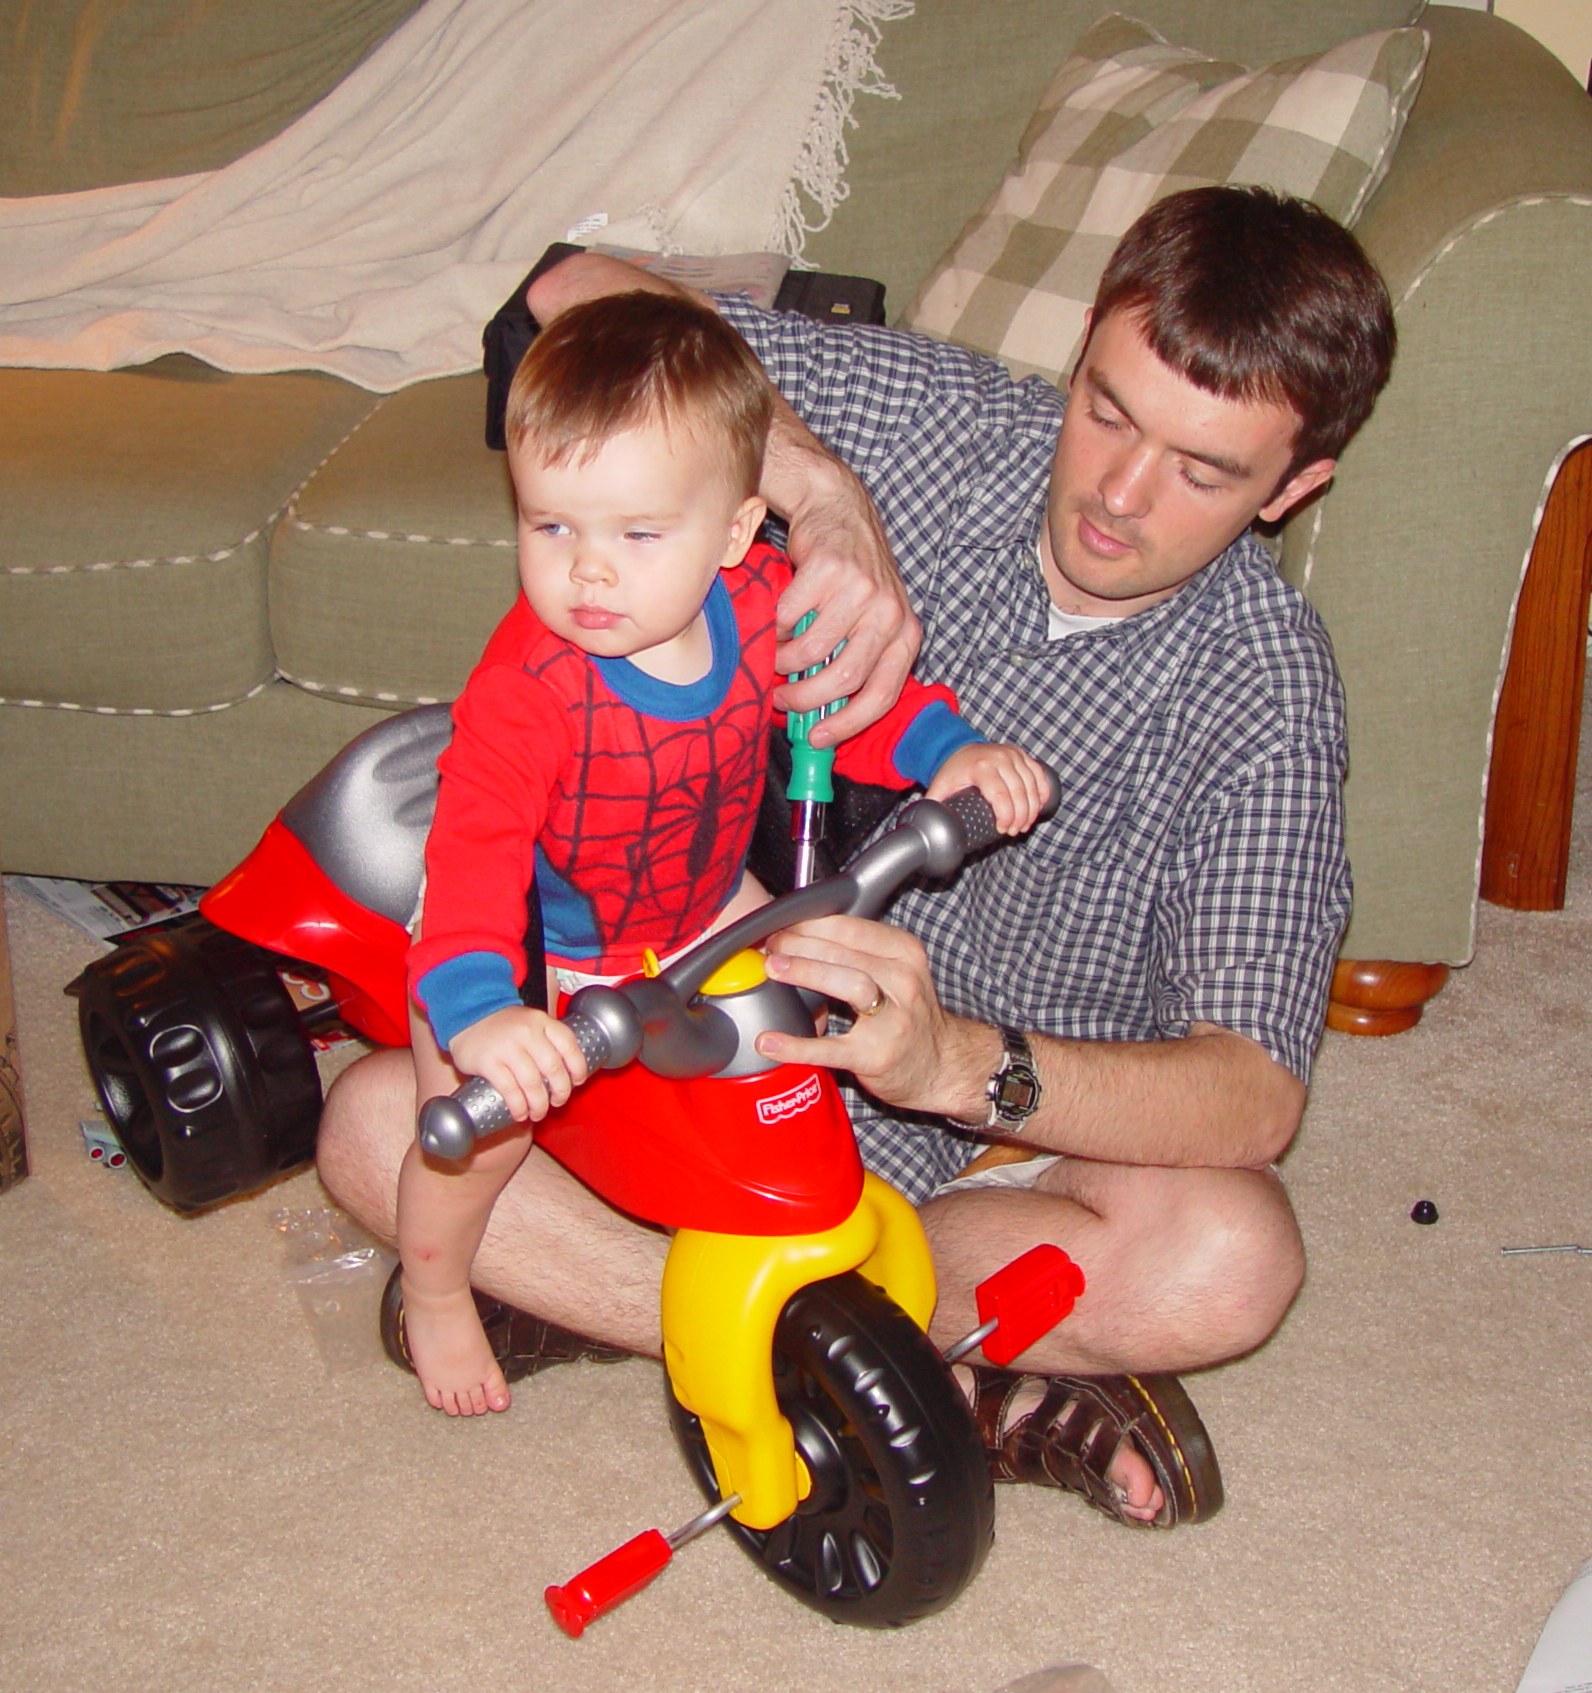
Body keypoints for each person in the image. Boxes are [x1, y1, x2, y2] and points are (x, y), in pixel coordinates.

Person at [317, 185, 1395, 1527]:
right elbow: (567, 288)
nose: (1118, 492)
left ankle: (688, 1320)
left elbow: (1253, 1095)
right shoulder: (954, 427)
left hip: (1005, 1143)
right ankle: (919, 1369)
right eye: (1108, 410)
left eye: (1203, 468)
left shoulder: (1267, 692)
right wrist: (819, 491)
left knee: (1230, 1262)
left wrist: (958, 1066)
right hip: (722, 1046)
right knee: (374, 1127)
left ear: (1296, 487)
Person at [392, 291, 1051, 1417]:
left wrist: (951, 751)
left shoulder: (762, 606)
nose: (586, 575)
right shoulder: (526, 694)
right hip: (539, 944)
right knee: (475, 1141)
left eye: (636, 535)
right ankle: (437, 1289)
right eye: (551, 527)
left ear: (739, 533)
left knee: (789, 1041)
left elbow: (860, 701)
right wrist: (478, 1011)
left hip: (698, 904)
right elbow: (470, 862)